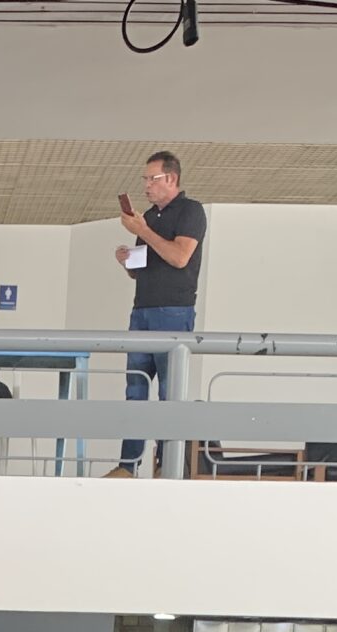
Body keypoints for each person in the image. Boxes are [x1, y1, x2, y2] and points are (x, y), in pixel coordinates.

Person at [106, 148, 208, 480]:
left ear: (172, 179)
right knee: (135, 388)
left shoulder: (191, 211)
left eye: (152, 179)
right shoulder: (148, 217)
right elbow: (142, 269)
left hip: (174, 311)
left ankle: (168, 464)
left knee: (168, 391)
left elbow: (180, 257)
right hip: (142, 310)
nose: (147, 186)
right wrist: (127, 260)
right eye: (145, 180)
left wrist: (142, 229)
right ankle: (129, 464)